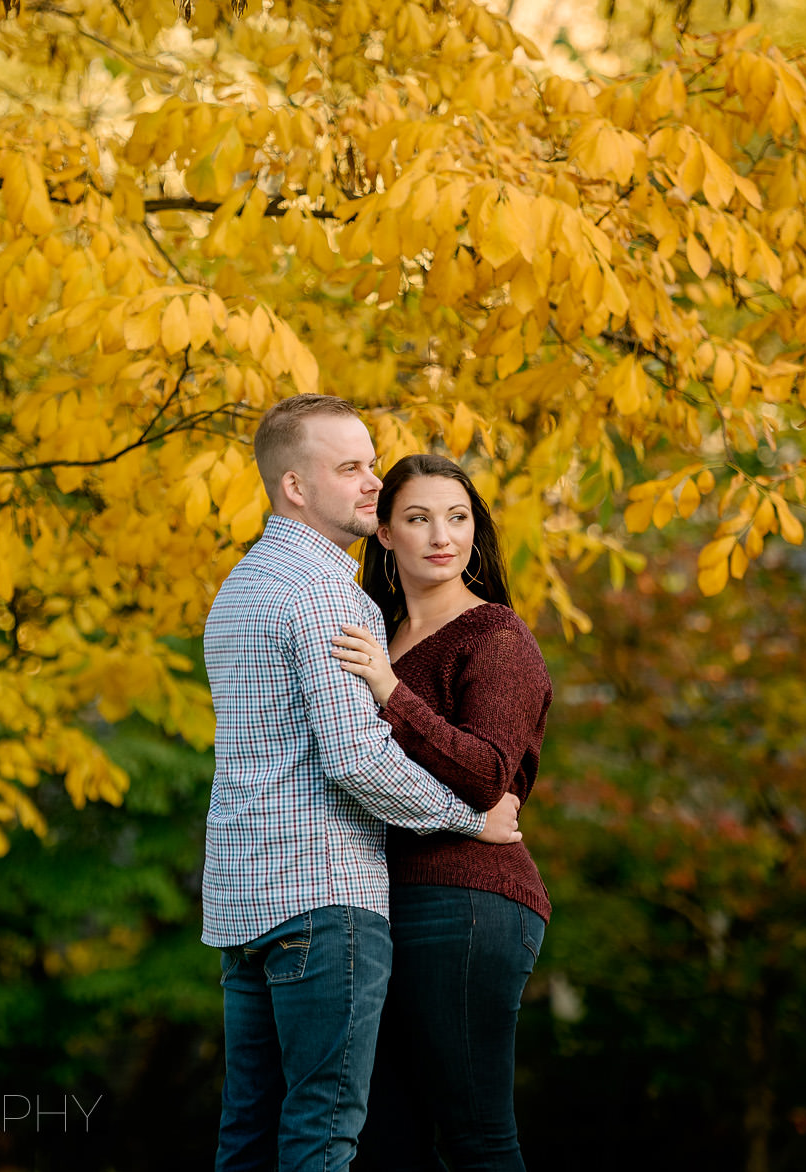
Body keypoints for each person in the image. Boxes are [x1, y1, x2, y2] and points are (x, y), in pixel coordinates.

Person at [204, 396, 526, 1172]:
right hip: (324, 897)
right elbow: (355, 759)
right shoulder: (328, 595)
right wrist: (466, 817)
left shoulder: (239, 587)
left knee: (247, 1131)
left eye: (370, 464)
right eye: (349, 468)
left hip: (242, 904)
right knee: (322, 1134)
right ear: (293, 486)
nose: (371, 484)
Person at [330, 453, 554, 1172]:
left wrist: (392, 692)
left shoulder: (494, 636)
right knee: (385, 1138)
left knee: (475, 1136)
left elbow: (489, 776)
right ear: (385, 534)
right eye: (419, 518)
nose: (441, 536)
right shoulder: (376, 631)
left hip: (468, 901)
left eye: (457, 518)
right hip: (378, 906)